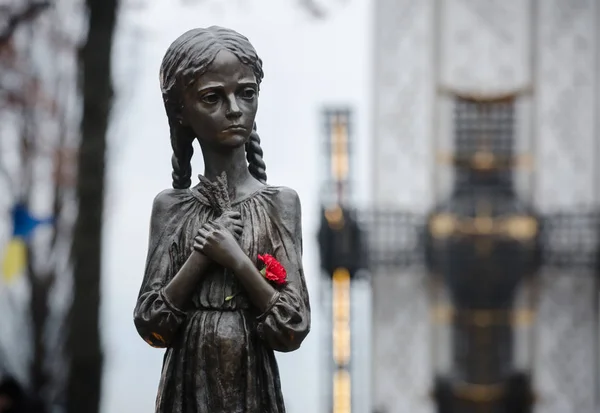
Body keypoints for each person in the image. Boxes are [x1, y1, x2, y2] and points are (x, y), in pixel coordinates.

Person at [133, 26, 311, 413]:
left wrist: (237, 261)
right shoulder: (171, 208)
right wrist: (201, 257)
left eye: (246, 93)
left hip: (252, 384)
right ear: (181, 111)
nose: (234, 109)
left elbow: (292, 326)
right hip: (186, 384)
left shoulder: (280, 204)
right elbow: (151, 324)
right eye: (212, 98)